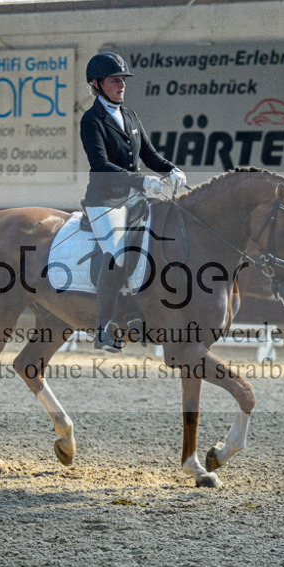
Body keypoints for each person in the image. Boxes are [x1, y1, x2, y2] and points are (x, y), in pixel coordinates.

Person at [79, 51, 187, 352]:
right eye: (115, 80)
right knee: (117, 254)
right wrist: (141, 181)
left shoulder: (129, 115)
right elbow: (100, 164)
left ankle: (141, 313)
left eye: (123, 80)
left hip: (135, 199)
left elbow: (149, 154)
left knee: (156, 244)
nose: (122, 85)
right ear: (97, 84)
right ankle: (103, 328)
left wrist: (171, 169)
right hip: (105, 201)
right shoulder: (91, 120)